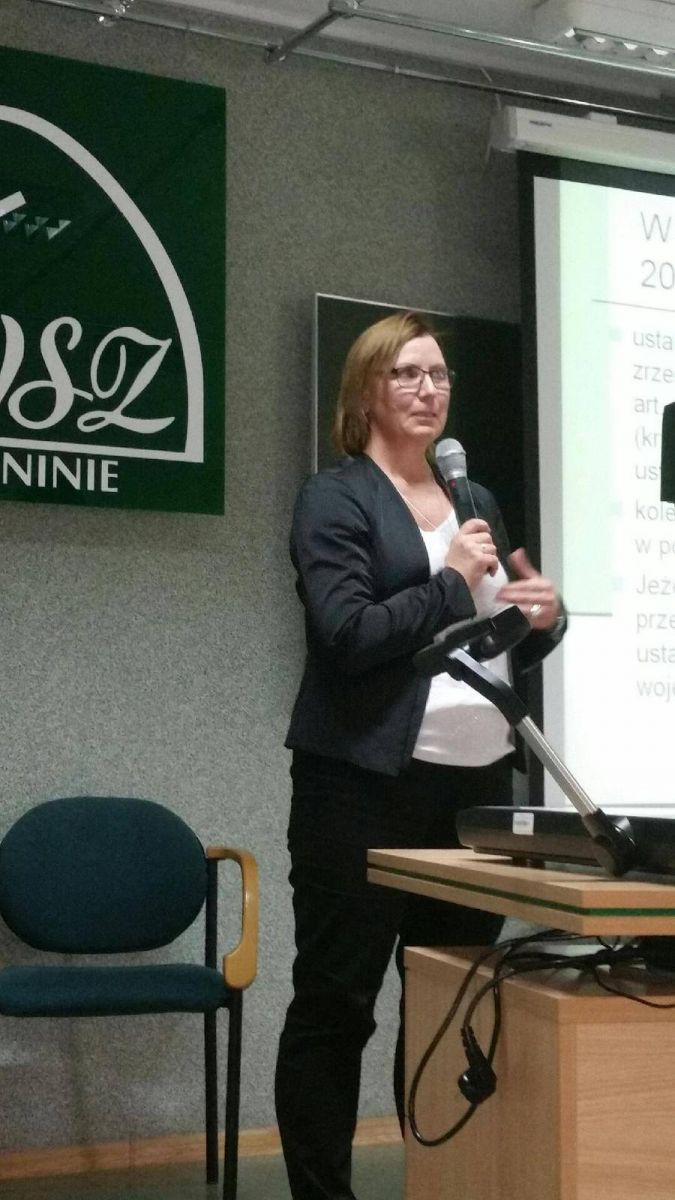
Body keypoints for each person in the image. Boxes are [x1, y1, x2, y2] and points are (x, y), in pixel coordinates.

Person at [275, 311, 565, 1200]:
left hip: (472, 798)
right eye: (406, 373)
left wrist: (537, 620)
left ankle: (437, 1183)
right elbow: (347, 635)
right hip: (362, 789)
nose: (427, 389)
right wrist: (450, 581)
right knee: (337, 1005)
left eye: (438, 375)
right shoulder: (335, 498)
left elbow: (485, 641)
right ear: (365, 391)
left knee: (448, 1003)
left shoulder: (474, 503)